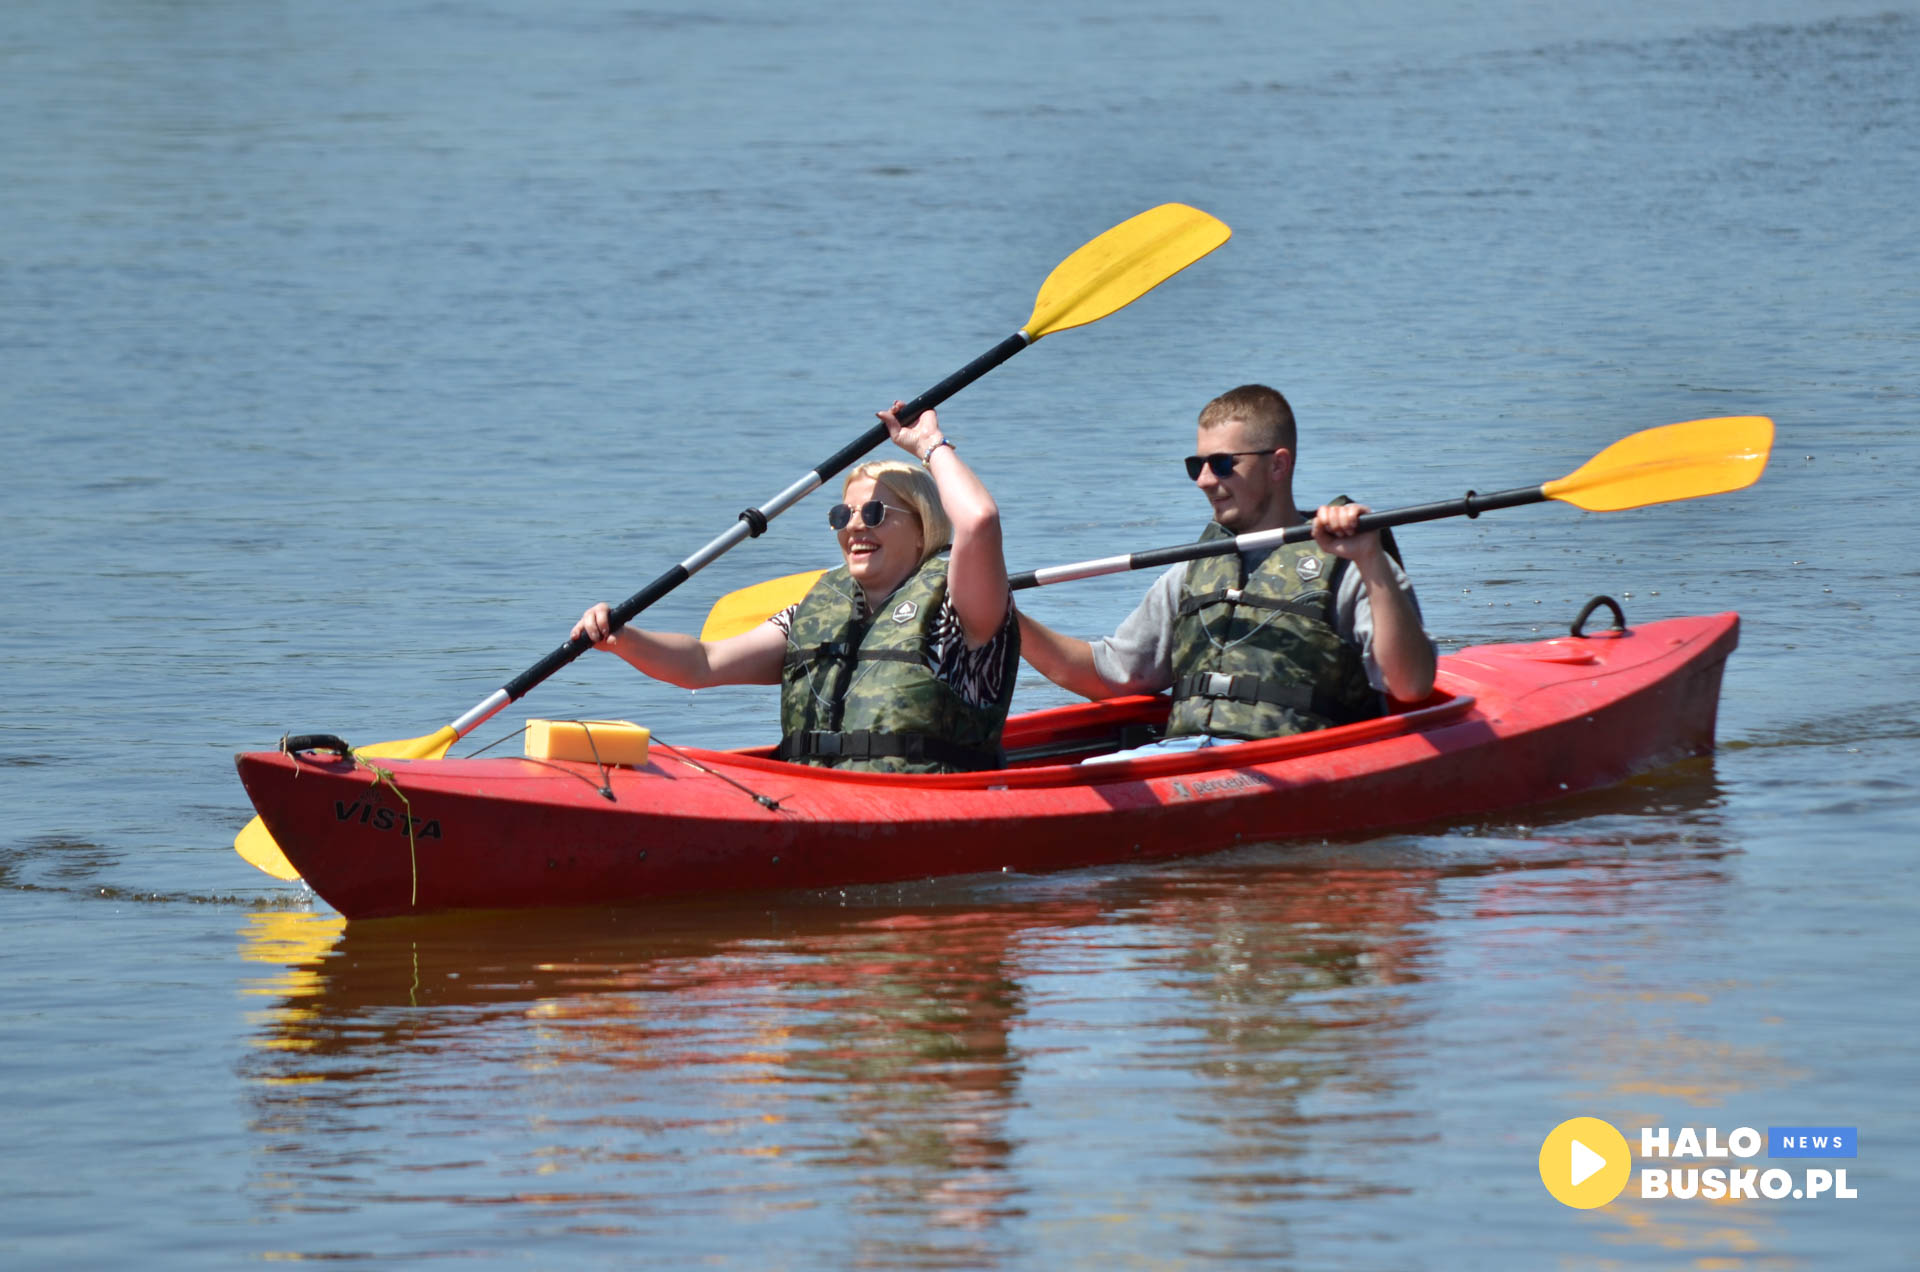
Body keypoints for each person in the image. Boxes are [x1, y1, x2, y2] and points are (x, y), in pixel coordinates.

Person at [571, 402, 1019, 773]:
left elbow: (979, 520)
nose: (855, 527)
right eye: (843, 517)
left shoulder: (959, 612)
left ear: (923, 529)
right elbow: (703, 664)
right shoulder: (812, 613)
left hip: (925, 800)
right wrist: (622, 638)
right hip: (818, 796)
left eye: (876, 513)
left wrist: (929, 446)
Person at [1017, 383, 1436, 756]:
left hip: (1288, 763)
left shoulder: (1353, 564)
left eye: (1220, 464)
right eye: (1194, 465)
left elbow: (1411, 684)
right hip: (1180, 756)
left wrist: (1369, 559)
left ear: (1277, 465)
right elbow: (1110, 674)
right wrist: (1005, 619)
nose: (1202, 480)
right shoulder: (1189, 574)